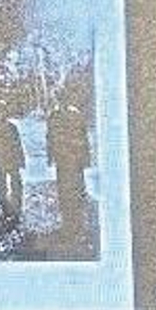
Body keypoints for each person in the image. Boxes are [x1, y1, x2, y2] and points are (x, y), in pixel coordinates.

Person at [45, 90, 92, 235]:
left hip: (74, 158)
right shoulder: (54, 116)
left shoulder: (75, 115)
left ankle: (79, 224)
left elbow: (84, 138)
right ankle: (68, 223)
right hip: (63, 159)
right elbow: (50, 138)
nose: (62, 102)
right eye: (60, 99)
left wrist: (86, 158)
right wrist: (50, 156)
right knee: (64, 190)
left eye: (63, 99)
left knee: (77, 190)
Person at [0, 112, 26, 221]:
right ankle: (6, 208)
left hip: (11, 160)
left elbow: (18, 144)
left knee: (16, 184)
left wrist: (21, 159)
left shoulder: (12, 127)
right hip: (1, 161)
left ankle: (16, 207)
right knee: (2, 186)